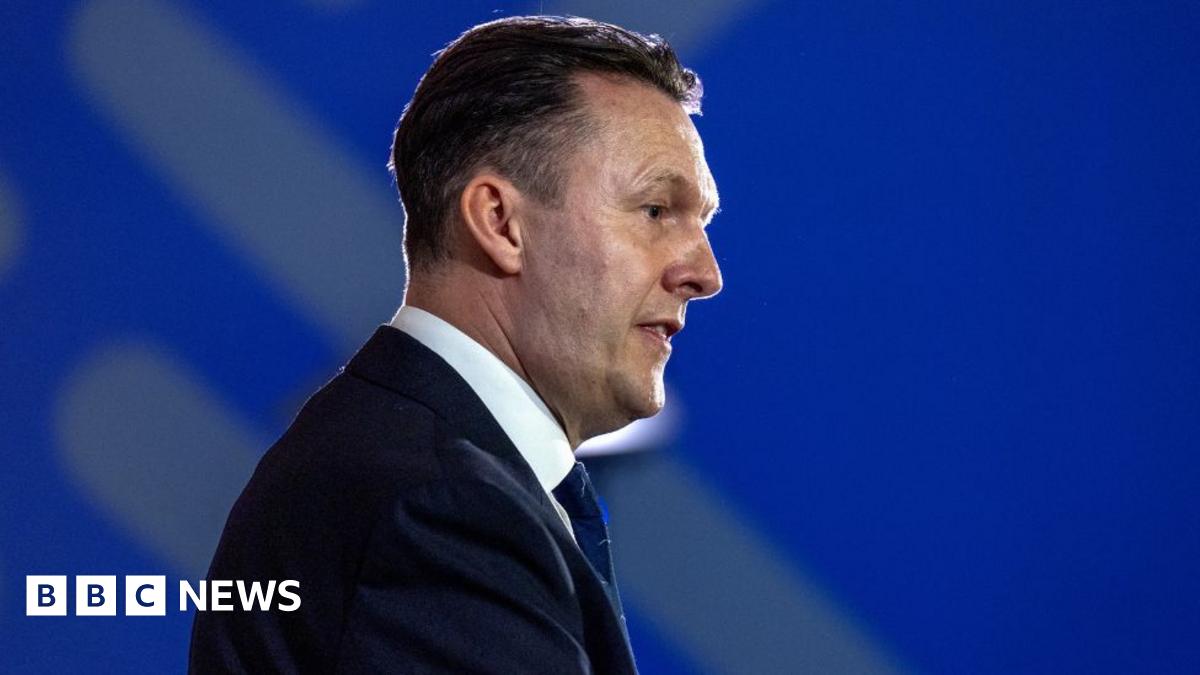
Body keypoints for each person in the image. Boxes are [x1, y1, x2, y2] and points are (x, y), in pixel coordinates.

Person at [189, 14, 722, 674]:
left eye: (702, 222)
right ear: (500, 222)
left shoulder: (418, 462)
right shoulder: (440, 505)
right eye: (656, 210)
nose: (705, 274)